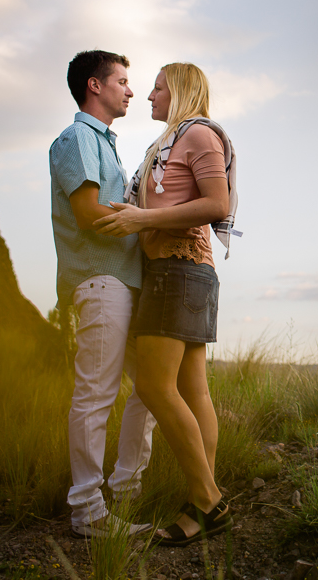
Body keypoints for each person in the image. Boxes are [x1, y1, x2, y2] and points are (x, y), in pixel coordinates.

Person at [94, 62, 237, 546]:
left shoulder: (197, 136)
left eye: (157, 87)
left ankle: (209, 498)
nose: (149, 95)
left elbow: (219, 204)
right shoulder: (173, 141)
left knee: (155, 387)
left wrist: (140, 221)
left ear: (178, 91)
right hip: (183, 270)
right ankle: (200, 507)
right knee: (193, 390)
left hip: (179, 269)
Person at [49, 50, 158, 539]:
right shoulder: (76, 139)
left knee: (154, 389)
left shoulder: (107, 145)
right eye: (123, 81)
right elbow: (90, 214)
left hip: (128, 283)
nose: (131, 90)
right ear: (95, 85)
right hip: (100, 282)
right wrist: (144, 222)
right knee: (96, 395)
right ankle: (87, 511)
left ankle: (126, 489)